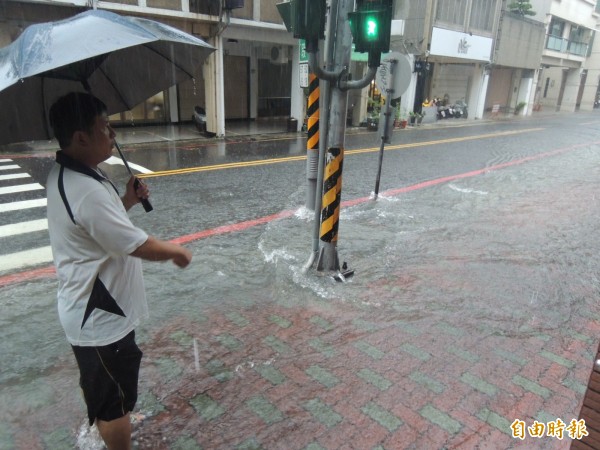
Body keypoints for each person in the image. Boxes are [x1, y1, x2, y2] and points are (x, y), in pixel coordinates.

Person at [46, 92, 192, 450]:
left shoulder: (75, 173)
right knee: (113, 402)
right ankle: (115, 427)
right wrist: (176, 252)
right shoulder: (84, 189)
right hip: (98, 317)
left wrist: (126, 200)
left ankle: (112, 416)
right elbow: (136, 244)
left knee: (106, 388)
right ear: (81, 138)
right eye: (104, 128)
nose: (113, 134)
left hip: (94, 311)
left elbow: (97, 230)